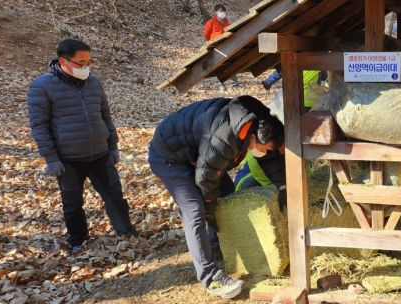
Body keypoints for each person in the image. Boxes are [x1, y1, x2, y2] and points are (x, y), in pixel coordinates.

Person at [148, 95, 284, 299]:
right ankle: (210, 276)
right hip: (169, 156)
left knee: (228, 200)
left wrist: (283, 186)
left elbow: (269, 156)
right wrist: (209, 209)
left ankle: (218, 249)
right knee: (195, 209)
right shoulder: (224, 140)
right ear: (254, 139)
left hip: (199, 155)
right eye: (265, 149)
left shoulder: (260, 123)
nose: (265, 153)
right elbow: (206, 179)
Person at [27, 39, 136, 256]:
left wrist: (113, 145)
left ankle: (127, 233)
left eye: (89, 62)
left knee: (115, 196)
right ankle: (78, 240)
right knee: (73, 204)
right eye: (80, 62)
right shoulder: (42, 86)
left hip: (100, 153)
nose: (85, 67)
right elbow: (39, 125)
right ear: (62, 61)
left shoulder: (93, 81)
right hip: (68, 159)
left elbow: (105, 114)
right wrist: (51, 158)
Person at [203, 4, 238, 90]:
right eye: (220, 11)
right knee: (219, 66)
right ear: (216, 12)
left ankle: (235, 83)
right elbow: (206, 35)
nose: (223, 13)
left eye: (224, 11)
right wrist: (212, 43)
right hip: (216, 48)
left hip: (227, 46)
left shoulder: (227, 23)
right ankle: (222, 84)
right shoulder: (211, 22)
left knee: (231, 63)